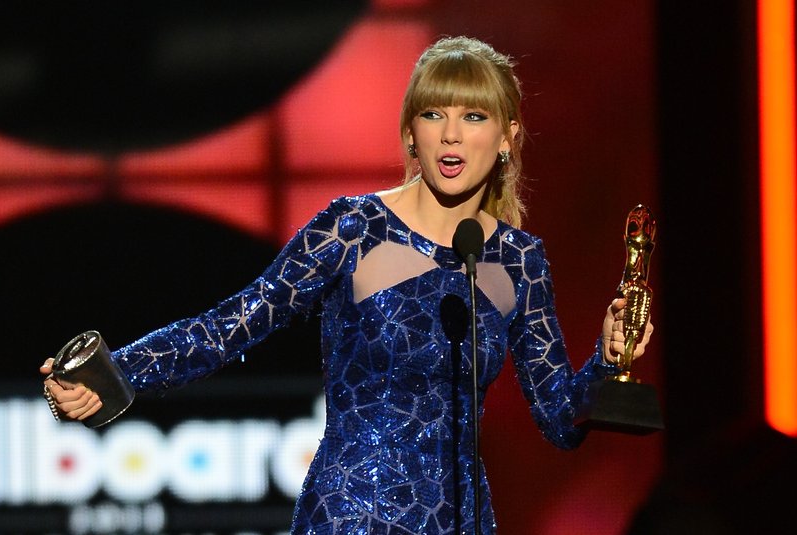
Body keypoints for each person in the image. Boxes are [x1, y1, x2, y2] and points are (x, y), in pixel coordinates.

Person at [40, 36, 653, 534]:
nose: (451, 134)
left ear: (507, 138)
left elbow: (558, 418)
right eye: (433, 114)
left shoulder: (519, 260)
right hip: (351, 516)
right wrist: (115, 373)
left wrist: (608, 361)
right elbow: (234, 324)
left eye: (474, 116)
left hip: (461, 522)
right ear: (410, 132)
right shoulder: (353, 227)